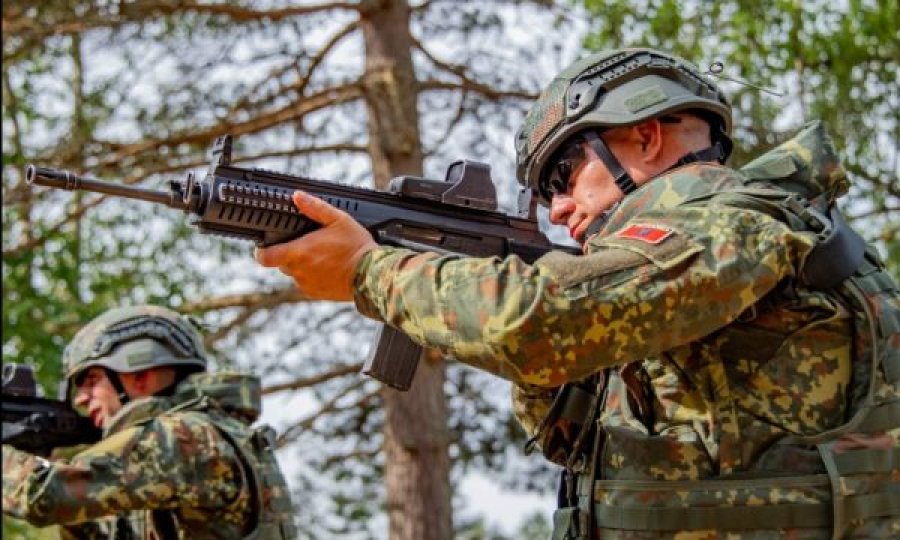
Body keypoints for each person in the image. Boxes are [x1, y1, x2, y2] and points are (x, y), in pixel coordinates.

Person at [254, 47, 899, 538]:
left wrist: (371, 273)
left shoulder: (730, 220)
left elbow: (538, 323)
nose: (556, 210)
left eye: (564, 174)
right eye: (541, 195)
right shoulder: (680, 261)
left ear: (645, 137)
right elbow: (569, 438)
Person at [2, 305, 297, 539]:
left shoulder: (185, 436)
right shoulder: (209, 435)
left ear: (139, 374)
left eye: (91, 380)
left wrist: (43, 474)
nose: (81, 399)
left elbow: (42, 497)